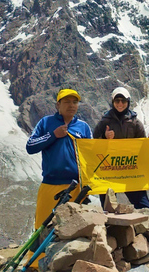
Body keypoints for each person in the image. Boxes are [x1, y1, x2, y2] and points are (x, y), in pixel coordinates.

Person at [26, 88, 93, 230]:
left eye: (75, 102)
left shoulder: (84, 127)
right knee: (43, 228)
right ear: (58, 105)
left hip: (76, 189)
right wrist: (53, 135)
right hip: (50, 186)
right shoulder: (46, 123)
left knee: (73, 230)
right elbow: (30, 146)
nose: (71, 105)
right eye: (66, 102)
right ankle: (40, 254)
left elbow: (91, 157)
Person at [93, 87, 149, 209]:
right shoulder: (105, 121)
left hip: (130, 171)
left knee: (143, 206)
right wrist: (105, 137)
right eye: (117, 100)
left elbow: (143, 146)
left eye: (123, 101)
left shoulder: (135, 122)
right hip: (109, 171)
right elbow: (94, 144)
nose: (120, 104)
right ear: (113, 102)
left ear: (128, 102)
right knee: (108, 207)